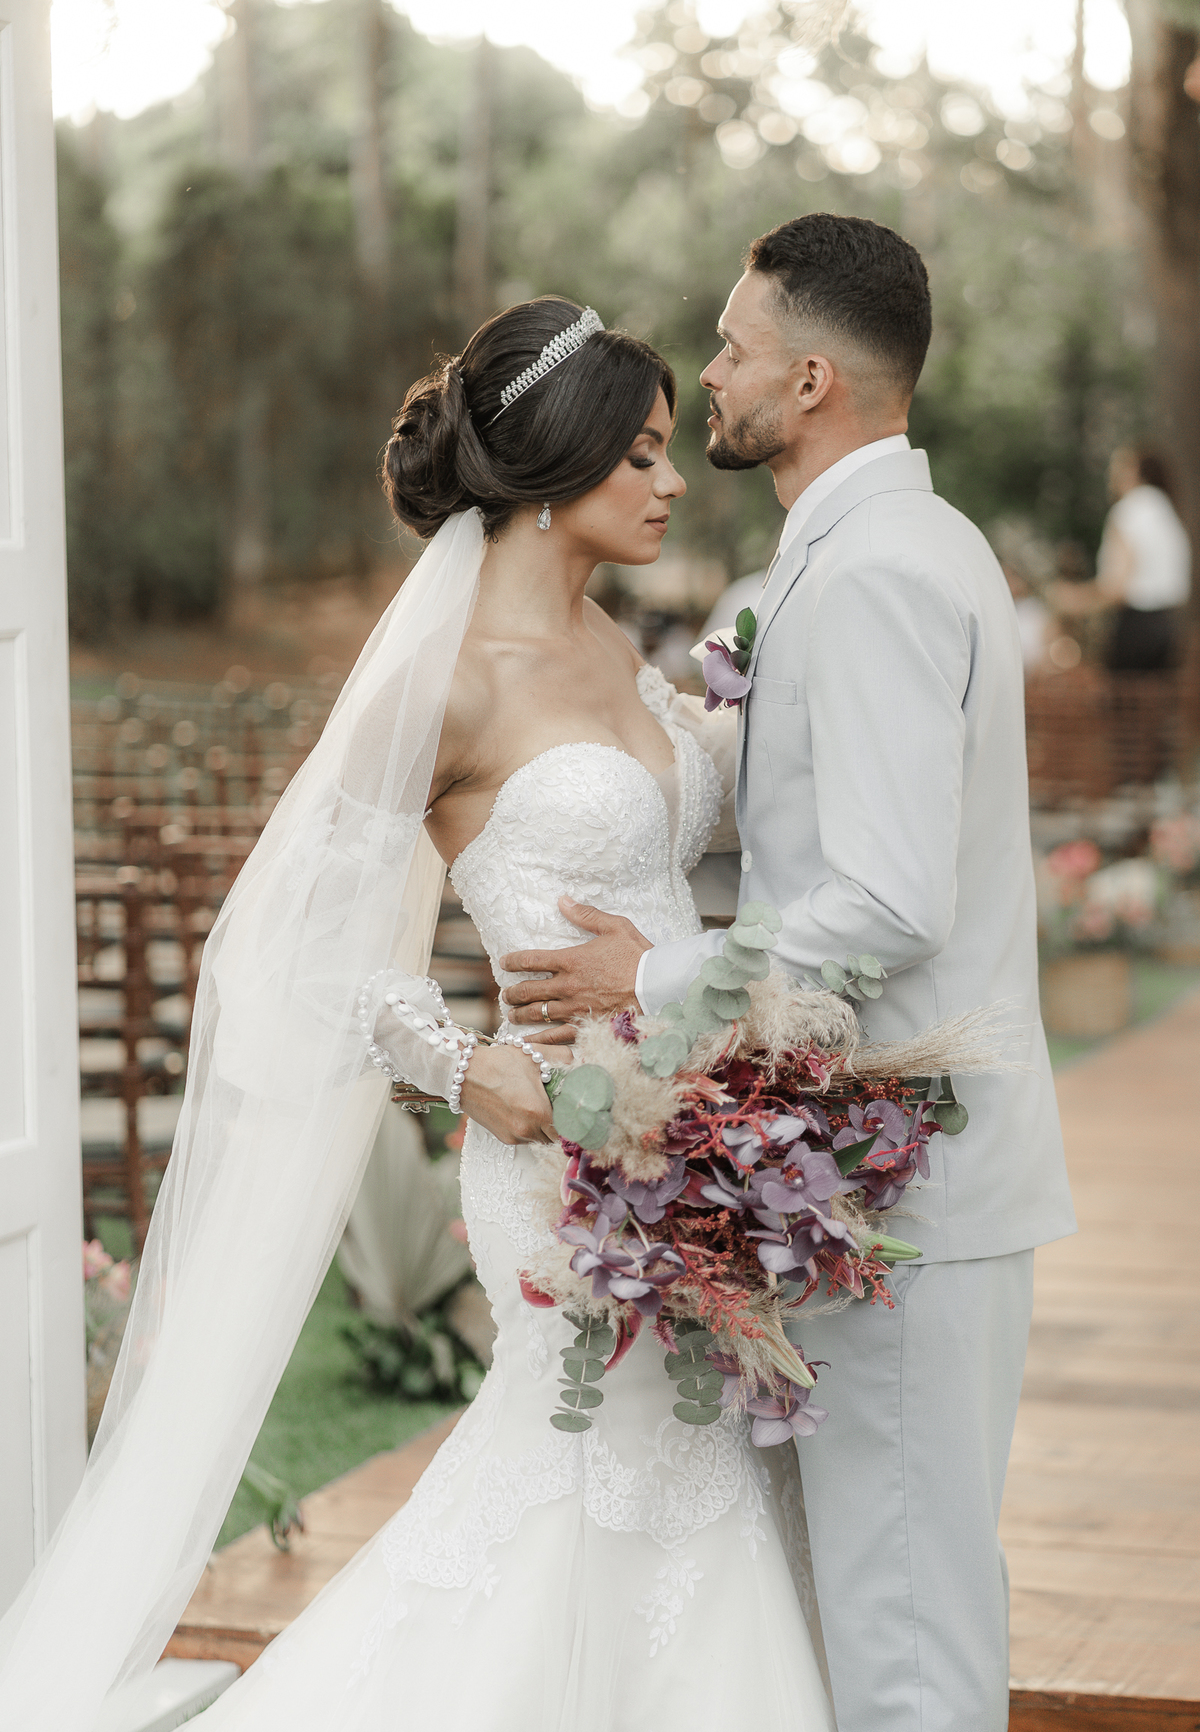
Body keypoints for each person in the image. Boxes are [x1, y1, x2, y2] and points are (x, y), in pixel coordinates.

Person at [0, 300, 832, 1732]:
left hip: (700, 1137)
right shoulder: (447, 684)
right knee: (584, 1466)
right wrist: (466, 1068)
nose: (671, 482)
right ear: (554, 466)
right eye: (638, 454)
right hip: (555, 1150)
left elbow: (673, 836)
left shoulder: (612, 643)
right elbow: (287, 948)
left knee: (698, 1469)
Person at [500, 215, 1076, 1732]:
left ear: (811, 380)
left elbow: (886, 896)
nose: (710, 375)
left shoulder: (876, 571)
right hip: (868, 1180)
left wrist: (659, 976)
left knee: (903, 1638)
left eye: (733, 348)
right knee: (890, 1607)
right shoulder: (886, 550)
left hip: (911, 1191)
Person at [1050, 444, 1191, 672]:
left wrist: (1075, 600)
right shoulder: (1166, 509)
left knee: (1121, 693)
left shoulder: (1128, 511)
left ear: (1134, 472)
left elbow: (1116, 587)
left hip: (1135, 629)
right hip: (1170, 628)